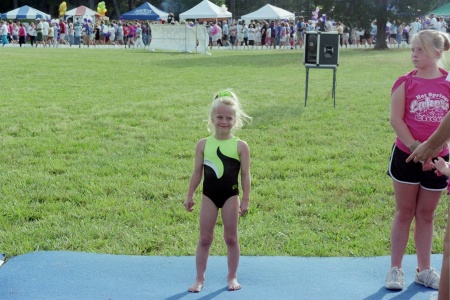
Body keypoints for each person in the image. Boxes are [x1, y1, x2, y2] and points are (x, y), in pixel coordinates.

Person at [385, 29, 450, 291]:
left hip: (439, 160)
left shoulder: (448, 83)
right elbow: (395, 119)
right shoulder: (405, 82)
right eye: (412, 49)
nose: (414, 54)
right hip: (407, 156)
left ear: (437, 53)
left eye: (420, 50)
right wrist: (417, 148)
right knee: (404, 212)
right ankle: (395, 269)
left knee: (426, 214)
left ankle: (424, 270)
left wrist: (433, 151)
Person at [184, 89, 252, 293]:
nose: (224, 121)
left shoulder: (241, 146)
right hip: (208, 196)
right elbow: (197, 173)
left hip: (231, 196)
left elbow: (246, 175)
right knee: (205, 238)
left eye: (229, 117)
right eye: (220, 117)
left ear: (235, 120)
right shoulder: (204, 144)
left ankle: (232, 276)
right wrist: (189, 194)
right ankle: (199, 278)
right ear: (212, 118)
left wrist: (246, 199)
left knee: (231, 238)